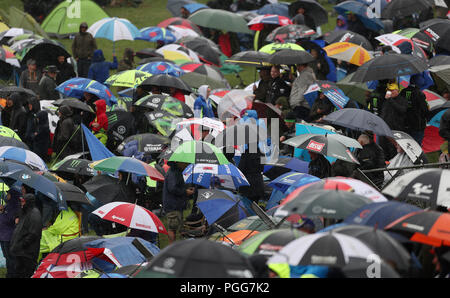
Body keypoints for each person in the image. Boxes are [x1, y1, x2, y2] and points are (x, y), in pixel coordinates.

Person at [9, 193, 42, 278]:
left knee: (27, 274)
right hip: (20, 252)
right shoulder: (25, 212)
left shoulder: (35, 214)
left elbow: (34, 233)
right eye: (21, 201)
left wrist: (22, 244)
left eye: (23, 201)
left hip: (27, 253)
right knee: (18, 273)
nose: (21, 203)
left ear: (29, 202)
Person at [162, 161, 195, 244]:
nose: (187, 165)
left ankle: (174, 247)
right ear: (179, 163)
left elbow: (177, 186)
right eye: (186, 164)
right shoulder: (173, 173)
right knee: (172, 229)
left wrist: (187, 189)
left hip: (176, 204)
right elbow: (172, 188)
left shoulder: (176, 171)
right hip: (173, 205)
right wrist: (185, 192)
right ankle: (172, 249)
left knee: (176, 227)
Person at [0, 190, 20, 278]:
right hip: (3, 235)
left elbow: (11, 219)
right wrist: (2, 210)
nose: (6, 195)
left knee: (10, 258)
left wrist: (2, 212)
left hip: (9, 237)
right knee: (6, 256)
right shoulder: (7, 205)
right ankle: (9, 273)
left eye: (8, 194)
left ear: (12, 195)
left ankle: (12, 274)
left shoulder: (15, 206)